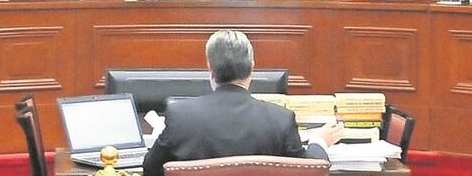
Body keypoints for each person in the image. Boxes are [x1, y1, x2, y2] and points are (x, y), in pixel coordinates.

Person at [142, 30, 342, 176]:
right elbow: (310, 170)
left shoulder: (180, 116)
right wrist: (319, 141)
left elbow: (150, 169)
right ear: (252, 68)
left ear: (210, 69)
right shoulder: (280, 120)